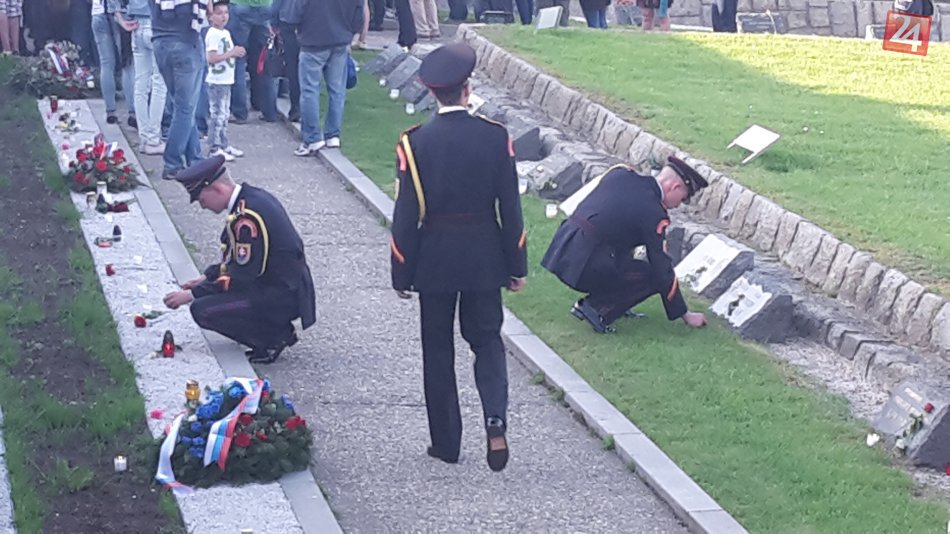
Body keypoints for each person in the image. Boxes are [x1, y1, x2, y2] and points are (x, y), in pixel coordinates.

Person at [389, 43, 527, 472]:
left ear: (433, 93)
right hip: (485, 254)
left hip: (435, 258)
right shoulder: (495, 136)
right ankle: (494, 417)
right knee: (487, 340)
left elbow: (406, 214)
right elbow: (511, 207)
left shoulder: (415, 142)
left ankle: (446, 442)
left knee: (438, 349)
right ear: (467, 89)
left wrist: (401, 271)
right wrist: (516, 265)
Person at [163, 155, 317, 363]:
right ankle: (273, 331)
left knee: (202, 310)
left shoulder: (247, 217)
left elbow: (242, 275)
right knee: (209, 297)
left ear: (217, 189)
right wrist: (207, 277)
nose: (203, 206)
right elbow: (239, 260)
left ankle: (273, 337)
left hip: (280, 294)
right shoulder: (251, 199)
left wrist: (192, 294)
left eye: (202, 200)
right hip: (283, 285)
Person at [540, 157, 709, 334]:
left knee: (625, 254)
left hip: (561, 249)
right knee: (653, 275)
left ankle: (617, 305)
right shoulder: (654, 212)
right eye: (683, 199)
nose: (678, 205)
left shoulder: (620, 174)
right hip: (583, 266)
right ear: (675, 187)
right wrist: (684, 313)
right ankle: (596, 307)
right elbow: (661, 266)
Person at [284, 0, 363, 156]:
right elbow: (358, 12)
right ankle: (333, 135)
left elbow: (292, 14)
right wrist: (350, 33)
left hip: (313, 41)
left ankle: (312, 138)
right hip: (340, 40)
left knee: (309, 90)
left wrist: (298, 29)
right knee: (337, 90)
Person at [116, 0, 168, 155]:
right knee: (159, 84)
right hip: (157, 23)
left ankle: (144, 138)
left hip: (136, 24)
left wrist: (120, 18)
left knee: (140, 84)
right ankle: (153, 138)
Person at [205, 0, 247, 161]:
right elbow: (211, 58)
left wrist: (236, 52)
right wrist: (232, 53)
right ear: (210, 16)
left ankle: (224, 144)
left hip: (226, 79)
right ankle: (214, 147)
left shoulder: (226, 33)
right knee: (217, 114)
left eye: (226, 13)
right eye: (219, 13)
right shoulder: (213, 34)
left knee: (225, 113)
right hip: (217, 80)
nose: (224, 16)